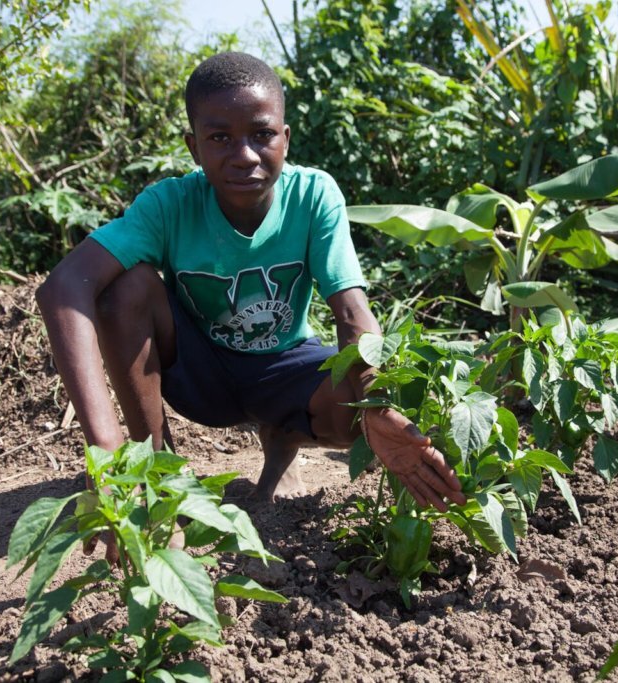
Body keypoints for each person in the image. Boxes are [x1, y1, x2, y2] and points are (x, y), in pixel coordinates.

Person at [35, 52, 466, 559]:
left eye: (261, 135)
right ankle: (155, 469)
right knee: (125, 288)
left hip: (285, 364)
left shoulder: (312, 195)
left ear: (286, 138)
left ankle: (283, 434)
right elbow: (63, 288)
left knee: (361, 409)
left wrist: (377, 399)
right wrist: (106, 452)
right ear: (194, 148)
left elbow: (351, 312)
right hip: (201, 373)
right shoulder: (168, 205)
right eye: (219, 138)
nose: (243, 154)